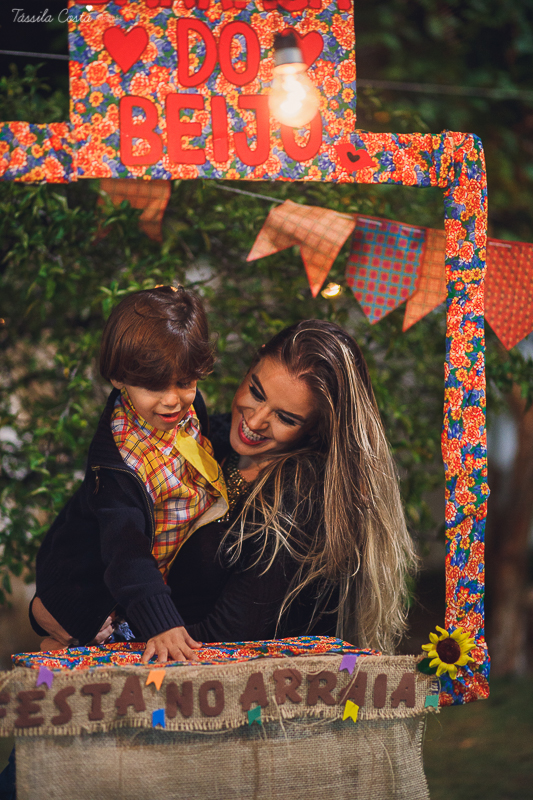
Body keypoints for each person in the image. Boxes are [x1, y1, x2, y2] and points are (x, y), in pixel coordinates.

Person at [165, 319, 416, 655]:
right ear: (254, 362)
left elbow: (228, 637)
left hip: (251, 698)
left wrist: (127, 630)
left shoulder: (299, 496)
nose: (254, 422)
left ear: (315, 429)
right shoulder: (213, 437)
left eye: (286, 418)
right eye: (256, 392)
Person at [29, 286, 228, 663]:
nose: (173, 399)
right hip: (94, 583)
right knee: (81, 646)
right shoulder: (121, 463)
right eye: (154, 386)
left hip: (155, 575)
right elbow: (126, 552)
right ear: (119, 379)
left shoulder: (186, 410)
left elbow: (203, 440)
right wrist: (162, 624)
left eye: (185, 382)